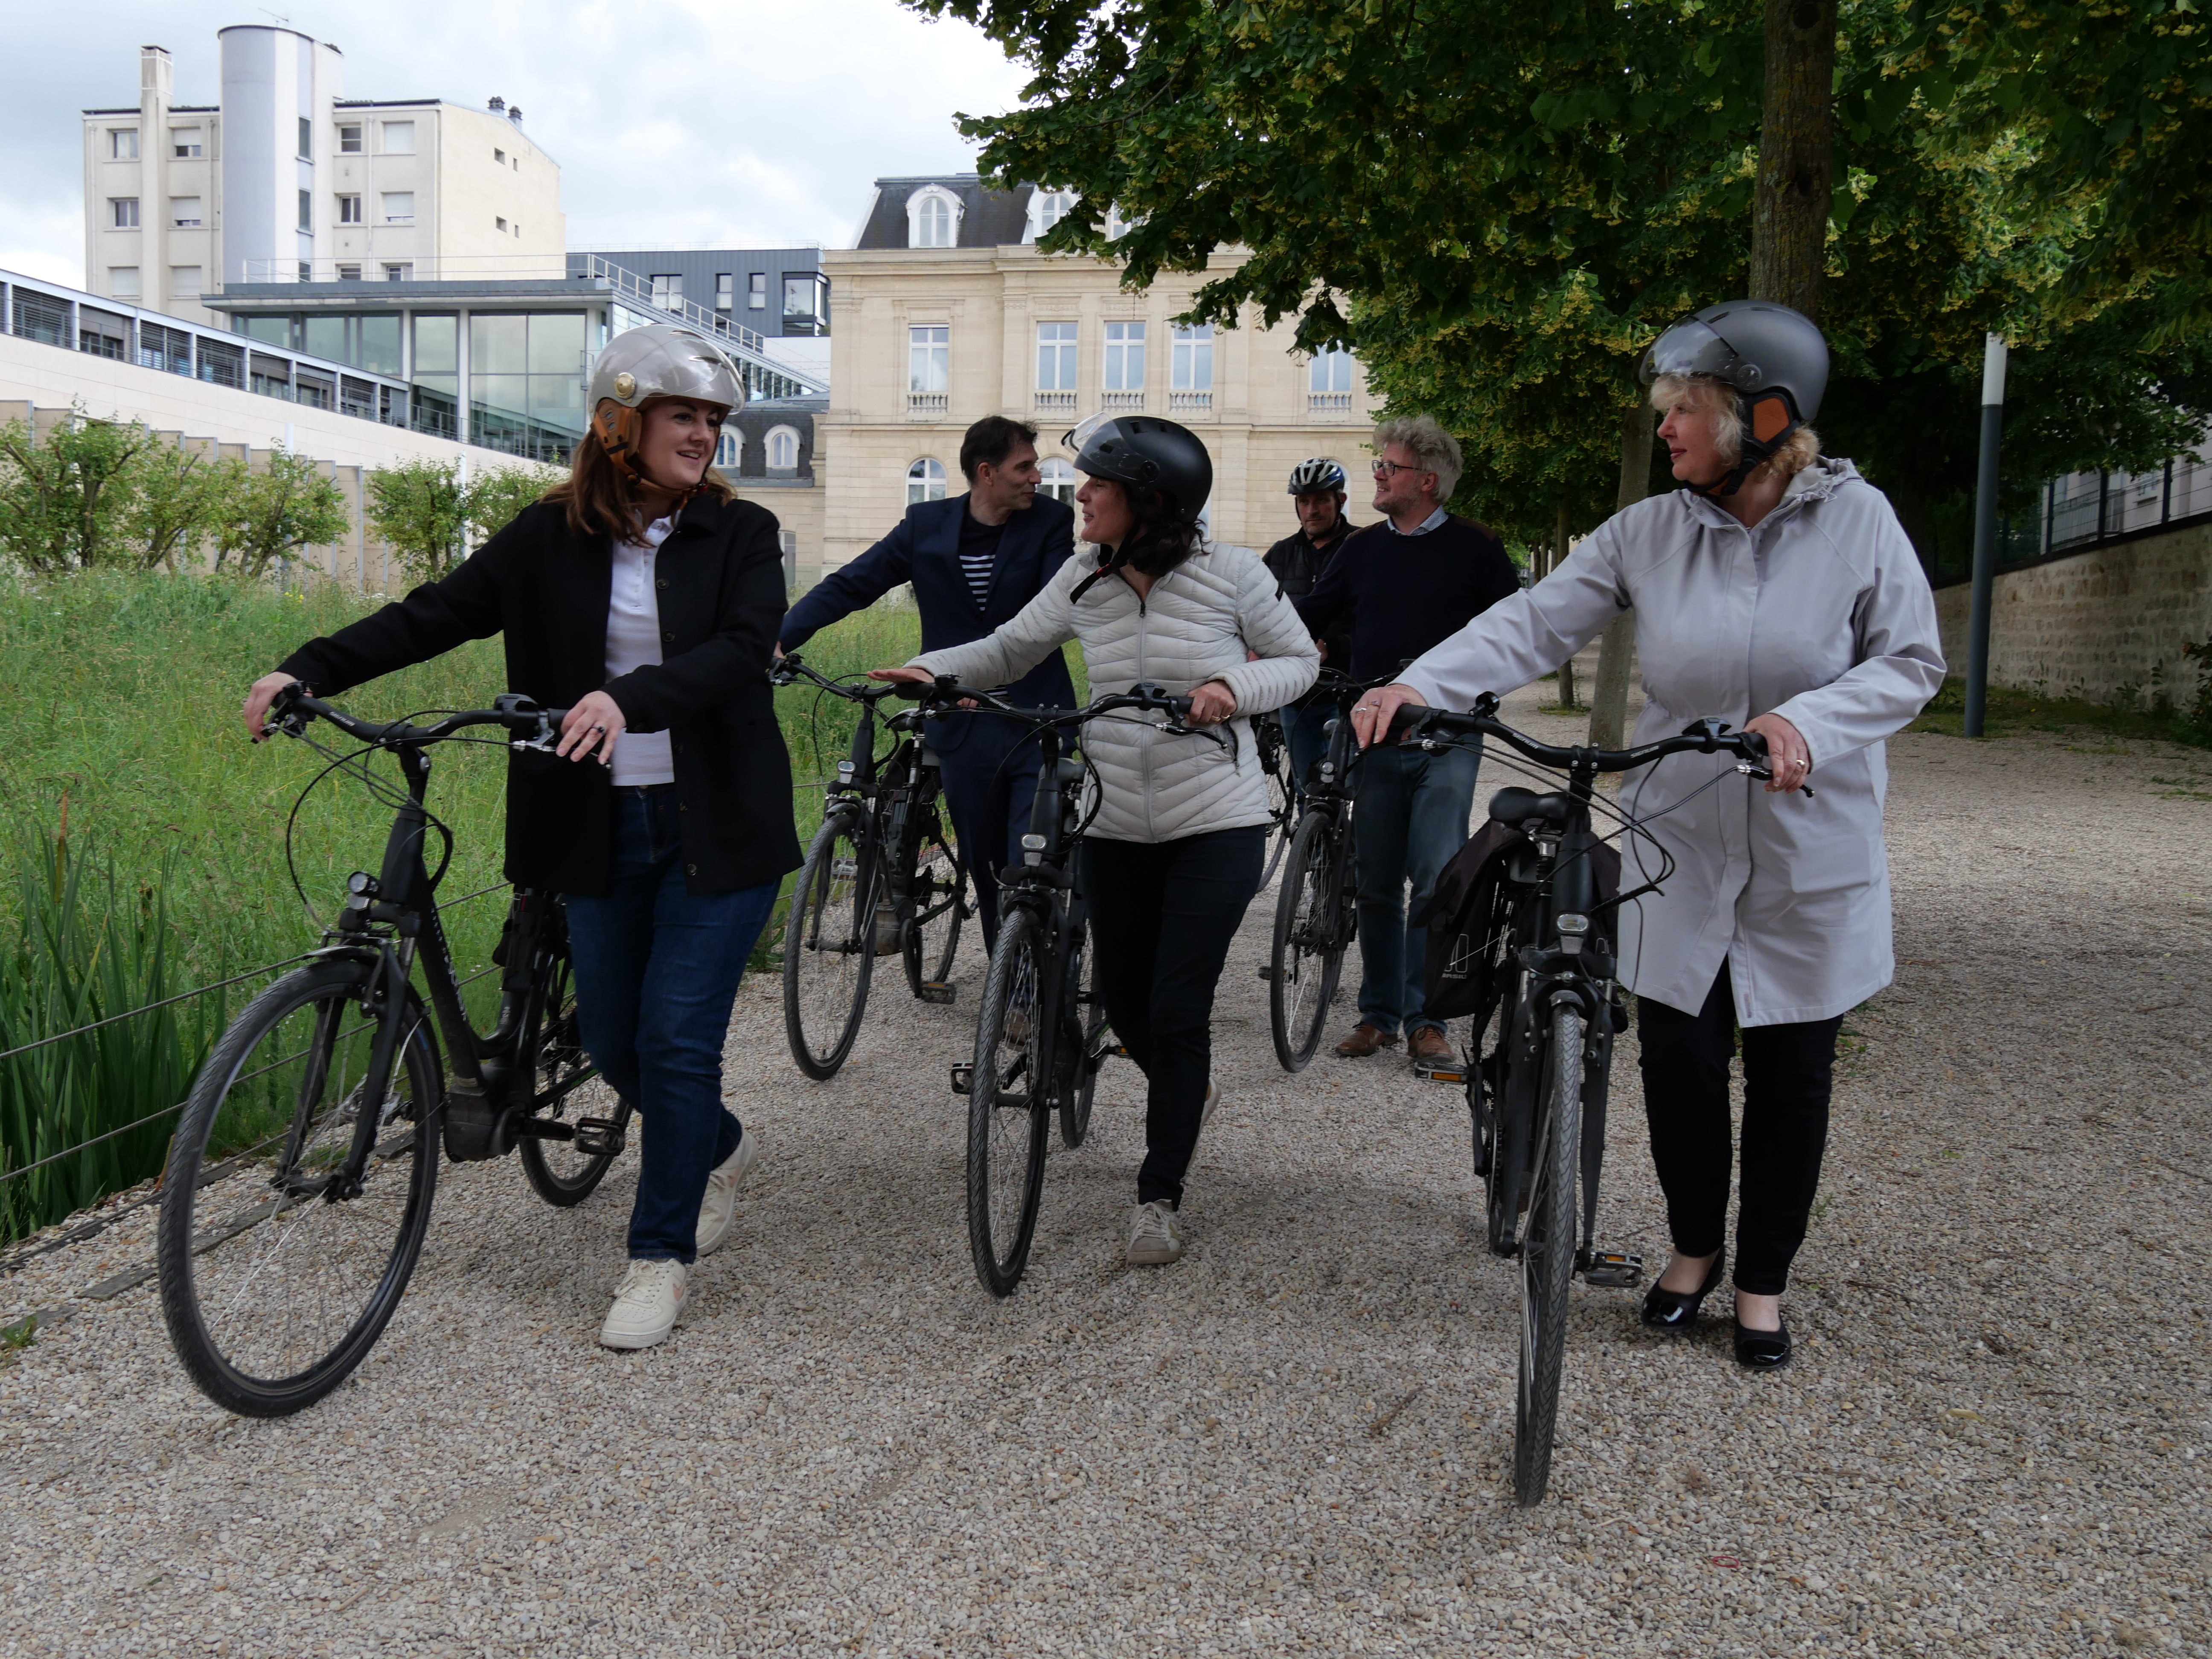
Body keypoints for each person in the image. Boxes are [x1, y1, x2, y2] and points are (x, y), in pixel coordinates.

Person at [1353, 301, 1944, 1368]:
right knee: (1675, 1057)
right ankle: (1689, 1252)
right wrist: (1418, 683)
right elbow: (1533, 620)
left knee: (1789, 1070)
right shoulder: (1648, 530)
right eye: (1664, 408)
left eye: (1686, 408)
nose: (1665, 427)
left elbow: (1908, 663)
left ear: (1762, 416)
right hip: (1683, 842)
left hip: (1810, 844)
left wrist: (1804, 721)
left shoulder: (1859, 522)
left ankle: (1760, 1278)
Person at [239, 324, 802, 1353]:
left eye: (715, 420)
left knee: (676, 1041)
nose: (706, 435)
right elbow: (434, 614)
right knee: (614, 1039)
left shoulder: (744, 533)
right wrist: (304, 667)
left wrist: (630, 698)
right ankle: (716, 1147)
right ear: (617, 423)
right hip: (588, 825)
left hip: (715, 828)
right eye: (686, 415)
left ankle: (657, 1254)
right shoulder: (546, 536)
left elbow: (737, 652)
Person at [871, 416, 1318, 1267]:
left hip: (1214, 824)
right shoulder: (1085, 578)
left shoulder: (1234, 574)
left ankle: (1159, 1194)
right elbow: (1010, 648)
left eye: (1099, 488)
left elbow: (1297, 661)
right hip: (1114, 823)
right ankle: (1187, 1096)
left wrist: (1232, 684)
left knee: (1177, 1007)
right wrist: (937, 670)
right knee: (1124, 998)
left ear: (1151, 502)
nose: (1080, 499)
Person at [779, 416, 1075, 952]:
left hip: (1035, 718)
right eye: (1025, 466)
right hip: (962, 723)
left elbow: (1054, 610)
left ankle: (1040, 979)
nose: (1038, 476)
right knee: (987, 864)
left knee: (1028, 859)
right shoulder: (925, 525)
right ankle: (1009, 987)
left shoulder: (1052, 522)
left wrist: (978, 667)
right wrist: (779, 638)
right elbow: (853, 583)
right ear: (986, 473)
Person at [1295, 416, 1519, 1070]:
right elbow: (1310, 611)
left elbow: (1515, 633)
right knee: (1374, 882)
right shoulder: (1362, 547)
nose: (1377, 476)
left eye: (1387, 467)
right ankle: (1379, 1015)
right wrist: (1256, 639)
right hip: (1373, 733)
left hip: (1447, 737)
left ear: (1427, 480)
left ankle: (1429, 1021)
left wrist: (1482, 696)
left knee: (1435, 879)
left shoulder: (1477, 549)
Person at [1263, 458, 1359, 793]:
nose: (1312, 509)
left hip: (1350, 689)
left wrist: (1333, 645)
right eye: (1304, 501)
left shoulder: (1363, 547)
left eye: (1321, 500)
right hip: (1297, 692)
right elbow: (1257, 611)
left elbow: (1377, 617)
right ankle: (1312, 844)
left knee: (1354, 787)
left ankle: (1350, 844)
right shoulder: (1280, 554)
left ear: (1340, 501)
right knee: (1308, 790)